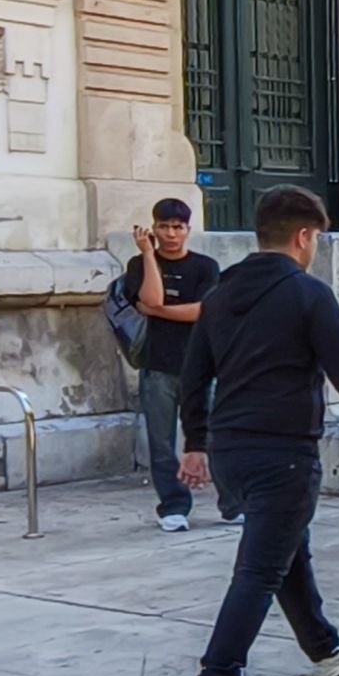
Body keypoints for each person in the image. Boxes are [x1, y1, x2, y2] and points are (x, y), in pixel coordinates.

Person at [178, 186, 339, 676]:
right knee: (259, 567)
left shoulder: (220, 293)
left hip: (232, 446)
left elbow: (193, 376)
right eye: (316, 238)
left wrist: (196, 440)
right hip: (283, 451)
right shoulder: (308, 294)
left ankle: (325, 648)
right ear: (304, 235)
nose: (315, 248)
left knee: (284, 551)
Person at [124, 198, 233, 532]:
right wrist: (147, 254)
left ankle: (232, 502)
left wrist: (156, 311)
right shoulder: (139, 264)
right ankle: (173, 505)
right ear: (153, 229)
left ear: (188, 230)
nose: (171, 234)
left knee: (214, 437)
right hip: (157, 365)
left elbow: (200, 311)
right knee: (161, 442)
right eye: (164, 227)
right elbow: (153, 297)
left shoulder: (205, 267)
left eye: (177, 227)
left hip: (200, 367)